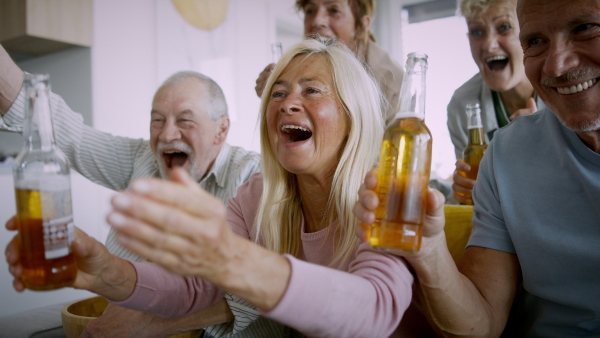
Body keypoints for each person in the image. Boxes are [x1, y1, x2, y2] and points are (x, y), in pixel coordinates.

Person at [6, 39, 414, 337]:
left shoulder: (385, 195)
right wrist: (104, 272)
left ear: (353, 114)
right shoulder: (258, 195)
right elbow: (194, 288)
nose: (288, 103)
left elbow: (375, 309)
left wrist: (230, 259)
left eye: (310, 90)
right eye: (278, 92)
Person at [354, 0, 600, 335]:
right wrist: (427, 248)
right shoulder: (505, 154)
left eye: (585, 28)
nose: (557, 65)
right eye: (536, 41)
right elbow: (480, 323)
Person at [0, 43, 261, 336]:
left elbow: (262, 287)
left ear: (221, 129)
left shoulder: (253, 176)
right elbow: (71, 136)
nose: (166, 134)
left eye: (185, 120)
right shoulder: (143, 159)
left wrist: (149, 324)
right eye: (157, 120)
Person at [447, 0, 545, 204]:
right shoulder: (462, 105)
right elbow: (479, 204)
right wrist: (467, 192)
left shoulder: (566, 87)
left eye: (504, 27)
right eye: (477, 32)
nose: (489, 45)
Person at [255, 0, 403, 125]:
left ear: (360, 26)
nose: (317, 21)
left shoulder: (390, 82)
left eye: (334, 10)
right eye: (310, 10)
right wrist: (275, 96)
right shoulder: (300, 62)